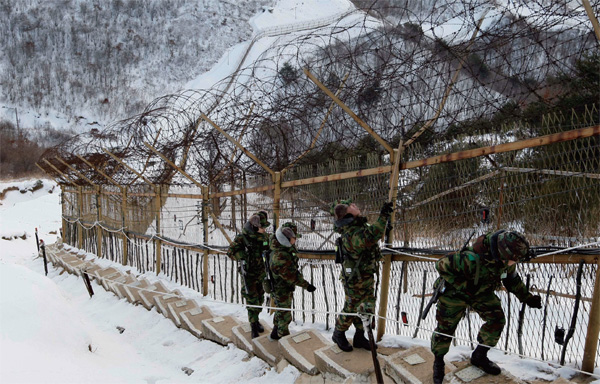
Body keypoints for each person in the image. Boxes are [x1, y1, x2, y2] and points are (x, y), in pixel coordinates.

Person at [431, 230, 542, 384]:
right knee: (445, 329)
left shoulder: (505, 260)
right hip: (454, 293)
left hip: (481, 292)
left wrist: (528, 298)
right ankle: (438, 362)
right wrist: (462, 284)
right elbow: (440, 265)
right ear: (504, 254)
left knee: (496, 320)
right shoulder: (469, 259)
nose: (513, 264)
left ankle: (479, 356)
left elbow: (512, 281)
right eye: (513, 260)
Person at [331, 200, 394, 352]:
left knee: (367, 306)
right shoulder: (351, 233)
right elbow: (372, 234)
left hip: (365, 275)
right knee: (352, 307)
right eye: (351, 206)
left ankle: (359, 336)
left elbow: (372, 233)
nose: (355, 205)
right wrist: (383, 216)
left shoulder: (357, 227)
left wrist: (383, 225)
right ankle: (338, 333)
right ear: (347, 214)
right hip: (355, 278)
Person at [227, 211, 271, 338]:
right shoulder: (243, 237)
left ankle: (256, 320)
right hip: (249, 275)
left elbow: (268, 250)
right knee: (251, 300)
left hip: (261, 273)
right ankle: (253, 325)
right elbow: (230, 252)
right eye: (262, 227)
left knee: (260, 299)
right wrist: (243, 256)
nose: (264, 229)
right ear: (255, 226)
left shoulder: (265, 237)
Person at [268, 222, 316, 340]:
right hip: (281, 287)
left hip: (284, 286)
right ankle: (283, 338)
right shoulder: (280, 256)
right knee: (284, 314)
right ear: (286, 240)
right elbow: (291, 275)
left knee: (281, 309)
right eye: (294, 238)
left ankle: (275, 332)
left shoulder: (283, 248)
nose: (295, 240)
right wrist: (307, 285)